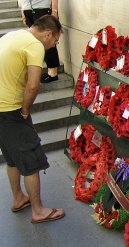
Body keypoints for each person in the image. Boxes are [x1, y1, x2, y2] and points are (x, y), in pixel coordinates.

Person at [0, 15, 65, 223]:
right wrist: (26, 110)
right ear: (48, 34)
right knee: (30, 158)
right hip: (10, 109)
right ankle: (38, 211)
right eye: (56, 40)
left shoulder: (14, 35)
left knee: (12, 157)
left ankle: (19, 198)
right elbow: (34, 85)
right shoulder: (35, 46)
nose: (54, 44)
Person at [20, 0, 60, 83]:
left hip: (43, 9)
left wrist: (54, 11)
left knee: (48, 40)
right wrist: (23, 10)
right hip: (28, 9)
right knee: (35, 41)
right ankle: (48, 70)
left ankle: (53, 73)